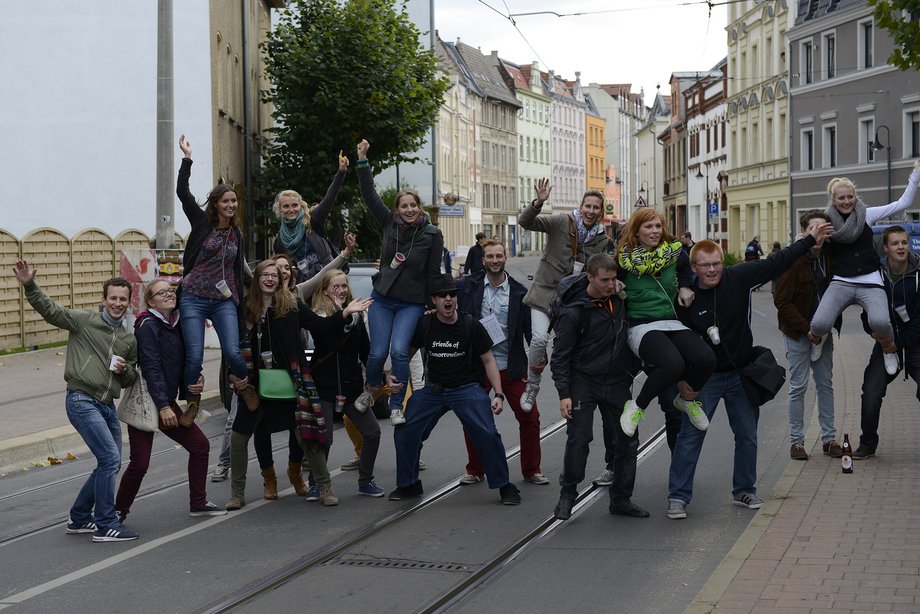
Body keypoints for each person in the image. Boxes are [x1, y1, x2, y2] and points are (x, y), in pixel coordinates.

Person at [667, 224, 832, 520]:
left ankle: (744, 489)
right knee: (690, 435)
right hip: (704, 379)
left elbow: (777, 262)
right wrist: (681, 380)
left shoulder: (739, 277)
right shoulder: (685, 298)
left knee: (747, 434)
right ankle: (678, 497)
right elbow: (675, 344)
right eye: (705, 266)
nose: (713, 270)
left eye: (716, 264)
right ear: (694, 268)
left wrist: (808, 240)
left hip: (741, 372)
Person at [225, 260, 372, 510]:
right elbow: (232, 344)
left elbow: (322, 326)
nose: (271, 279)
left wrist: (344, 313)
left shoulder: (292, 305)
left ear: (282, 281)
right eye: (266, 275)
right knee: (238, 438)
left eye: (275, 275)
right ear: (258, 278)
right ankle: (237, 493)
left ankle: (325, 486)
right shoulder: (245, 310)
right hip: (254, 385)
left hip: (290, 383)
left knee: (310, 436)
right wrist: (233, 375)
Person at [13, 260, 139, 542]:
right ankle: (106, 524)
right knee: (109, 459)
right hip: (81, 399)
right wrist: (30, 285)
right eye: (113, 298)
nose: (117, 303)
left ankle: (79, 518)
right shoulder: (84, 321)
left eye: (122, 299)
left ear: (129, 302)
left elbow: (131, 376)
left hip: (107, 405)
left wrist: (124, 370)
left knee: (111, 461)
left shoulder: (128, 339)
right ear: (103, 300)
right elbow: (51, 311)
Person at [389, 274, 521, 506]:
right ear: (434, 300)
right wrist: (392, 375)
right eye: (442, 296)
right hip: (433, 391)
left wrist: (498, 394)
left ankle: (504, 485)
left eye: (452, 295)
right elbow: (405, 355)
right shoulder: (425, 324)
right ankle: (408, 484)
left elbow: (489, 360)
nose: (448, 299)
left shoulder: (471, 325)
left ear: (456, 299)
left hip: (466, 389)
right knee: (406, 431)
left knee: (487, 433)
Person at [115, 278, 226, 520]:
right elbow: (152, 367)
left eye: (170, 290)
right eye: (160, 292)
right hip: (148, 402)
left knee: (199, 446)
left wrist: (195, 383)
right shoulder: (147, 325)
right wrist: (164, 406)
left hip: (165, 400)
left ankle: (198, 502)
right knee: (140, 464)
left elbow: (185, 361)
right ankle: (117, 513)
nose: (168, 294)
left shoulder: (175, 323)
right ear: (150, 300)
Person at [550, 254, 649, 520]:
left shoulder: (619, 300)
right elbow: (560, 356)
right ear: (590, 278)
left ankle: (621, 499)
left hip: (618, 381)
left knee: (628, 440)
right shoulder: (574, 312)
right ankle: (567, 494)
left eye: (614, 278)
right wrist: (564, 394)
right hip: (583, 381)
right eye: (605, 279)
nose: (611, 284)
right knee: (580, 438)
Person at [355, 138, 444, 425]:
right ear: (397, 209)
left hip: (411, 303)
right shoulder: (388, 224)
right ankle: (371, 390)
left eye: (413, 205)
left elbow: (433, 271)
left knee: (399, 352)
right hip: (383, 298)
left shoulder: (431, 234)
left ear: (419, 208)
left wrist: (438, 300)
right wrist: (363, 161)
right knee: (378, 352)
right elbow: (369, 195)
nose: (408, 209)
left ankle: (395, 405)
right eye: (403, 206)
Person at [809, 161, 920, 376]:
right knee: (820, 323)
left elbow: (903, 203)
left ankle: (889, 349)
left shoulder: (866, 214)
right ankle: (818, 338)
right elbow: (810, 238)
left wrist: (915, 174)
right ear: (834, 200)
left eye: (850, 197)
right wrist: (801, 240)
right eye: (841, 198)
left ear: (855, 196)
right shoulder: (827, 221)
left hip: (870, 281)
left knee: (880, 321)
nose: (847, 201)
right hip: (842, 280)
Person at [176, 134, 255, 425]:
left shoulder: (236, 235)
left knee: (234, 352)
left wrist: (261, 287)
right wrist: (187, 159)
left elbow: (240, 271)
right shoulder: (201, 223)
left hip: (224, 301)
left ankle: (243, 386)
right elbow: (183, 192)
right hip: (194, 297)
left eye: (234, 200)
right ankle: (193, 402)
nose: (232, 205)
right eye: (226, 200)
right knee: (194, 355)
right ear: (216, 204)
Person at [616, 207, 715, 437]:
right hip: (640, 324)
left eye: (658, 226)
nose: (654, 231)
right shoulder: (625, 256)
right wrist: (617, 286)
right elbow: (614, 280)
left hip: (670, 321)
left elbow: (685, 271)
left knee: (706, 357)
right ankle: (637, 406)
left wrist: (685, 286)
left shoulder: (674, 252)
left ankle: (686, 399)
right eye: (648, 226)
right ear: (637, 230)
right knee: (672, 363)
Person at [456, 240, 548, 486]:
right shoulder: (468, 287)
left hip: (511, 365)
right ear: (483, 260)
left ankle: (531, 470)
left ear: (505, 258)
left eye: (499, 256)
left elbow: (531, 330)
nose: (494, 260)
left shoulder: (519, 292)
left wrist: (539, 356)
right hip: (477, 366)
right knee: (472, 418)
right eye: (490, 256)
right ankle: (475, 469)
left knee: (530, 417)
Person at [517, 179, 609, 411]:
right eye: (587, 206)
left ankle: (572, 393)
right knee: (538, 339)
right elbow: (526, 222)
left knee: (568, 348)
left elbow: (603, 269)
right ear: (581, 207)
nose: (591, 211)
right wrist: (538, 202)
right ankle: (533, 385)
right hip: (544, 294)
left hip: (571, 302)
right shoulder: (560, 222)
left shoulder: (602, 239)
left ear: (601, 211)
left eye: (596, 207)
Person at [309, 268, 389, 497]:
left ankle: (366, 481)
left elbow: (365, 349)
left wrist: (379, 377)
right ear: (325, 290)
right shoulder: (319, 315)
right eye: (335, 286)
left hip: (351, 386)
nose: (341, 290)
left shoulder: (356, 315)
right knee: (324, 438)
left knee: (372, 432)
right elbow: (326, 339)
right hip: (324, 388)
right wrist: (342, 313)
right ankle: (316, 482)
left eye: (344, 286)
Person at [774, 210, 841, 461]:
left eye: (824, 229)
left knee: (825, 384)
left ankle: (829, 439)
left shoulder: (832, 257)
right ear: (804, 232)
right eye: (814, 228)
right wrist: (806, 329)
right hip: (797, 331)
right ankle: (797, 442)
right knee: (798, 386)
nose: (819, 233)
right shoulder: (792, 259)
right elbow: (781, 301)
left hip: (823, 332)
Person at [854, 225, 920, 460]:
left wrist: (898, 343)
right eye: (895, 243)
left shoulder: (919, 274)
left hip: (915, 343)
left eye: (904, 242)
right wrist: (872, 332)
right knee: (870, 392)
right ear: (885, 248)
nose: (901, 247)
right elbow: (866, 311)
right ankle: (868, 443)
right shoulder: (876, 275)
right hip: (884, 343)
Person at [271, 151, 349, 284]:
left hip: (328, 279)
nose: (291, 210)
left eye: (295, 205)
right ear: (280, 210)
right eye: (286, 206)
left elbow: (329, 199)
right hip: (304, 285)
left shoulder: (313, 220)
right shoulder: (279, 240)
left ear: (301, 206)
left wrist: (341, 172)